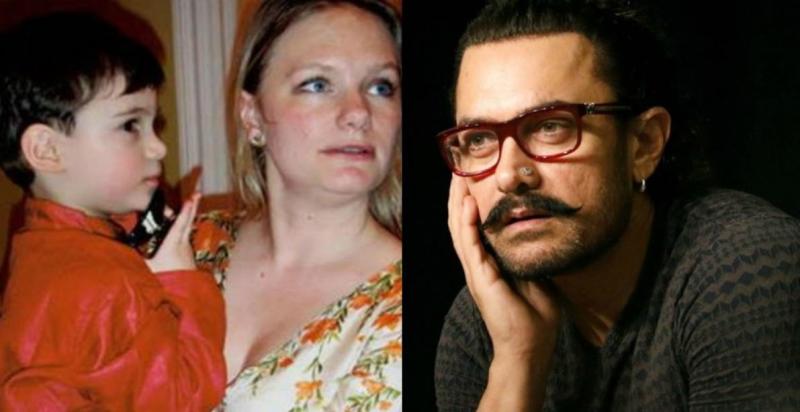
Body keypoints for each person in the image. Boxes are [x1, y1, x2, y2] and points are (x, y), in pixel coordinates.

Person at [434, 0, 800, 410]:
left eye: (551, 127)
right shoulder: (486, 323)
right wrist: (518, 358)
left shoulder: (744, 268)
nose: (508, 176)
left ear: (643, 144)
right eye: (479, 140)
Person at [0, 12, 226, 410]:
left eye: (155, 124)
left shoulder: (38, 249)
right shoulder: (106, 285)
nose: (158, 147)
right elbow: (184, 398)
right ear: (47, 150)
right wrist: (182, 280)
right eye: (129, 126)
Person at [191, 0, 402, 410]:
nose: (358, 113)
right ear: (252, 116)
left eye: (381, 87)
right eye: (318, 85)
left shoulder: (404, 310)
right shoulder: (193, 245)